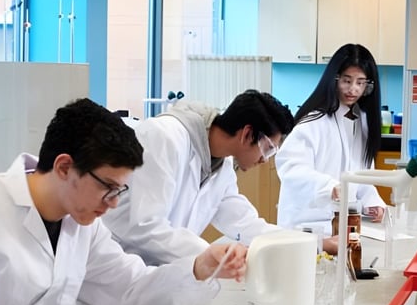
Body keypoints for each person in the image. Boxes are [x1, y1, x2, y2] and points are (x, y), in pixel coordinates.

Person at [0, 98, 246, 305]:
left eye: (120, 191)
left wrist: (199, 267)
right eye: (107, 188)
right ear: (64, 166)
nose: (114, 204)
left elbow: (128, 286)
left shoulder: (82, 226)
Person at [102, 89, 295, 266]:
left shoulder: (222, 167)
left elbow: (243, 223)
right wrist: (211, 253)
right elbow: (147, 225)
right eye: (268, 149)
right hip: (115, 265)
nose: (264, 160)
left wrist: (308, 243)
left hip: (155, 274)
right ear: (247, 134)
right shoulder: (165, 137)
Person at [276, 43, 387, 241]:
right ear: (333, 79)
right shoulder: (313, 121)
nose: (353, 89)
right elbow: (290, 167)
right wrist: (329, 187)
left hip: (342, 227)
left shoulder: (362, 123)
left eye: (360, 83)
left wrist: (372, 201)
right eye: (347, 81)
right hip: (306, 226)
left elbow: (361, 176)